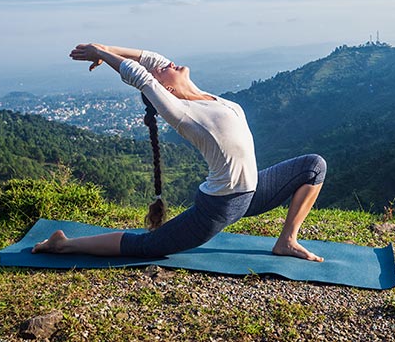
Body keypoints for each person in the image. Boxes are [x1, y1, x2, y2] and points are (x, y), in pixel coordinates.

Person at [32, 43, 326, 262]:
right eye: (163, 70)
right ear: (165, 92)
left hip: (251, 192)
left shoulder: (206, 97)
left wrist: (106, 47)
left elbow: (149, 59)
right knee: (145, 246)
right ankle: (63, 244)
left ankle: (287, 240)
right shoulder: (182, 112)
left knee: (314, 166)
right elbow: (141, 75)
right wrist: (102, 54)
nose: (167, 63)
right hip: (219, 206)